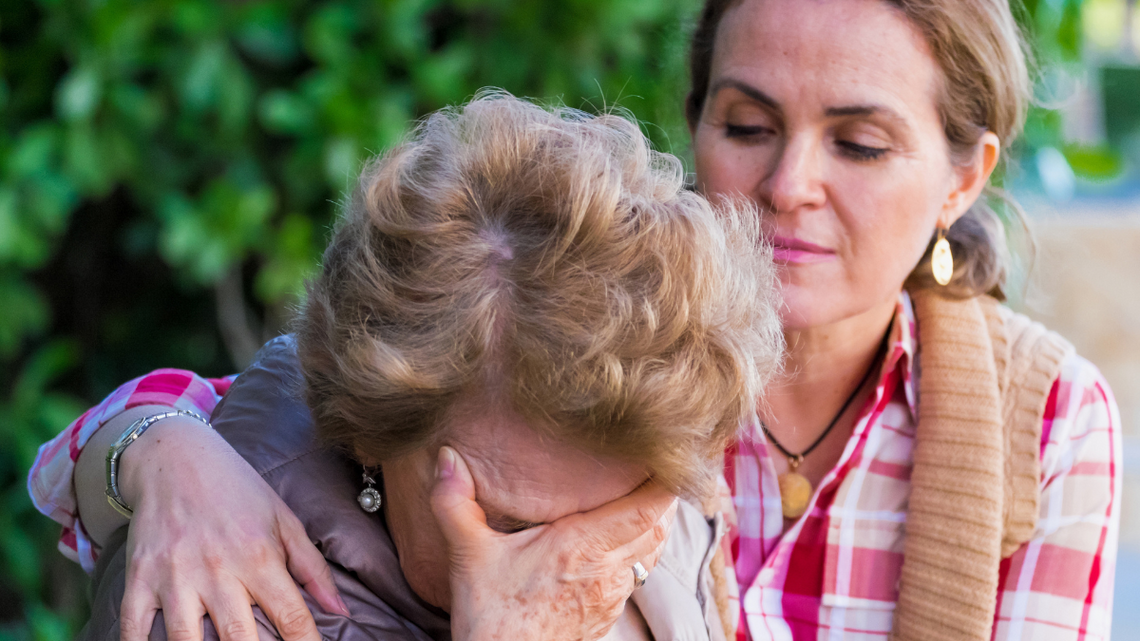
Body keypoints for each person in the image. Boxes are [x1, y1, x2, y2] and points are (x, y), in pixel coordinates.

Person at [31, 1, 1122, 640]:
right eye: (746, 123)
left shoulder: (1046, 417)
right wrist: (163, 450)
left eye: (860, 143)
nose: (788, 183)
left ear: (961, 177)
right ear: (695, 122)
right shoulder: (572, 334)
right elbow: (264, 407)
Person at [52, 94, 783, 641]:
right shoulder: (212, 598)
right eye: (510, 523)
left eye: (616, 517)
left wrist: (152, 438)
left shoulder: (650, 434)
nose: (580, 570)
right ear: (369, 430)